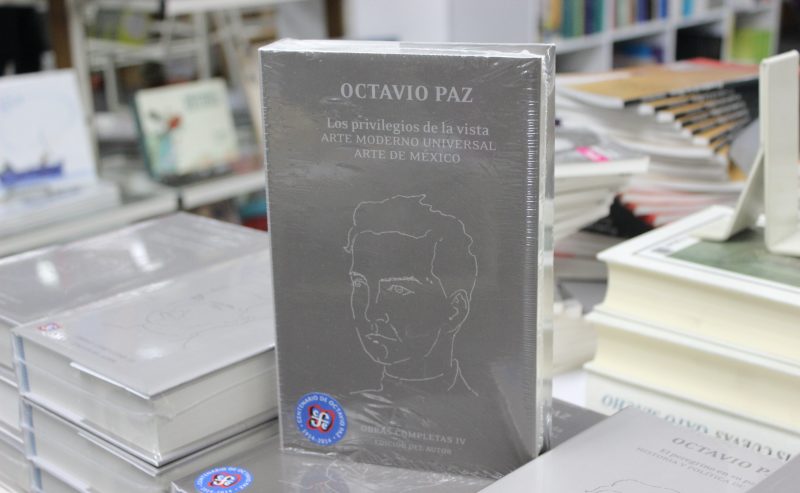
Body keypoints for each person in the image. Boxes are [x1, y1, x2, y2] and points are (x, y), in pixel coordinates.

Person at [344, 194, 478, 397]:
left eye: (398, 290)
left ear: (455, 310)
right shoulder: (342, 410)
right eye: (359, 285)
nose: (371, 314)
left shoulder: (486, 412)